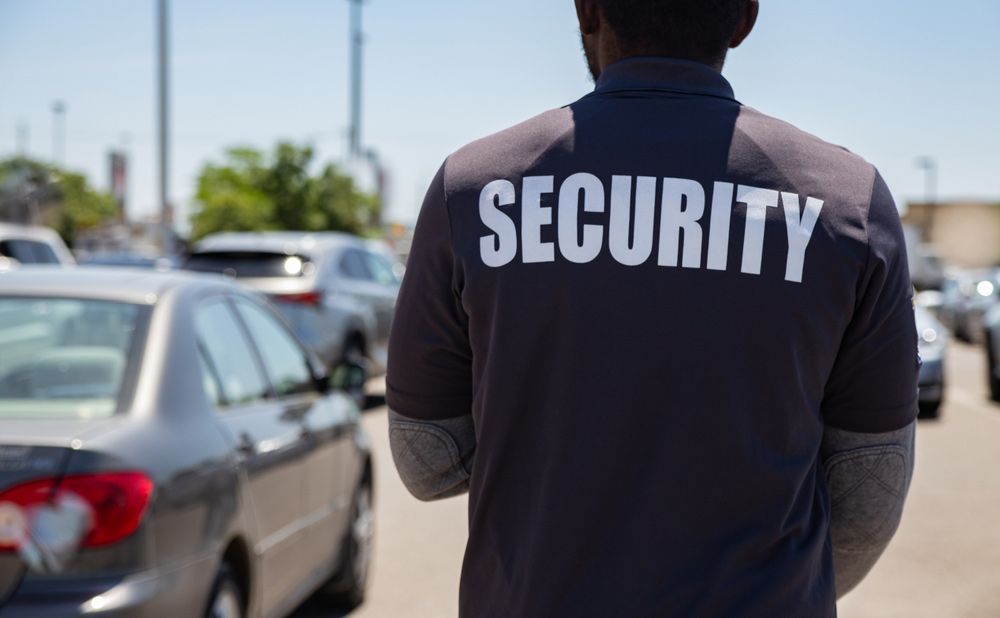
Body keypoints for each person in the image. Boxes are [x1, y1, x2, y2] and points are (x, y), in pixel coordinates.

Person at [386, 0, 918, 616]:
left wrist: (547, 455)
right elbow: (870, 490)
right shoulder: (847, 200)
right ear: (744, 19)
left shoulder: (474, 189)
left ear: (588, 12)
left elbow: (425, 459)